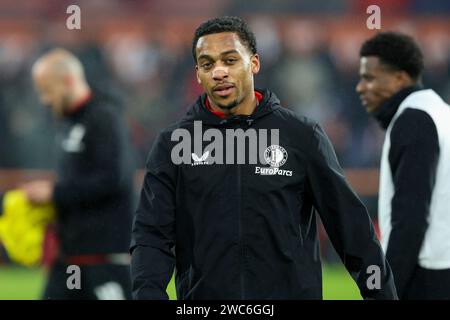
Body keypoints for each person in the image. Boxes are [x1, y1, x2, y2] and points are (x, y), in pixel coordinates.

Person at [131, 16, 397, 300]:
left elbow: (351, 229)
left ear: (254, 63)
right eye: (207, 64)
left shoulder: (301, 136)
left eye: (230, 60)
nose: (219, 71)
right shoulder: (172, 146)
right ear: (198, 74)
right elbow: (151, 236)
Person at [22, 48, 135, 299]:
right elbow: (82, 183)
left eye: (47, 90)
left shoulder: (104, 117)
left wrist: (54, 193)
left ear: (68, 81)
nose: (44, 99)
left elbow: (113, 178)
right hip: (70, 260)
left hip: (104, 262)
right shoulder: (69, 123)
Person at [357, 32, 450, 299]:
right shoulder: (440, 112)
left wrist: (388, 289)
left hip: (426, 276)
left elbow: (410, 218)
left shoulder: (413, 121)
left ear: (400, 78)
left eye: (369, 77)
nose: (360, 87)